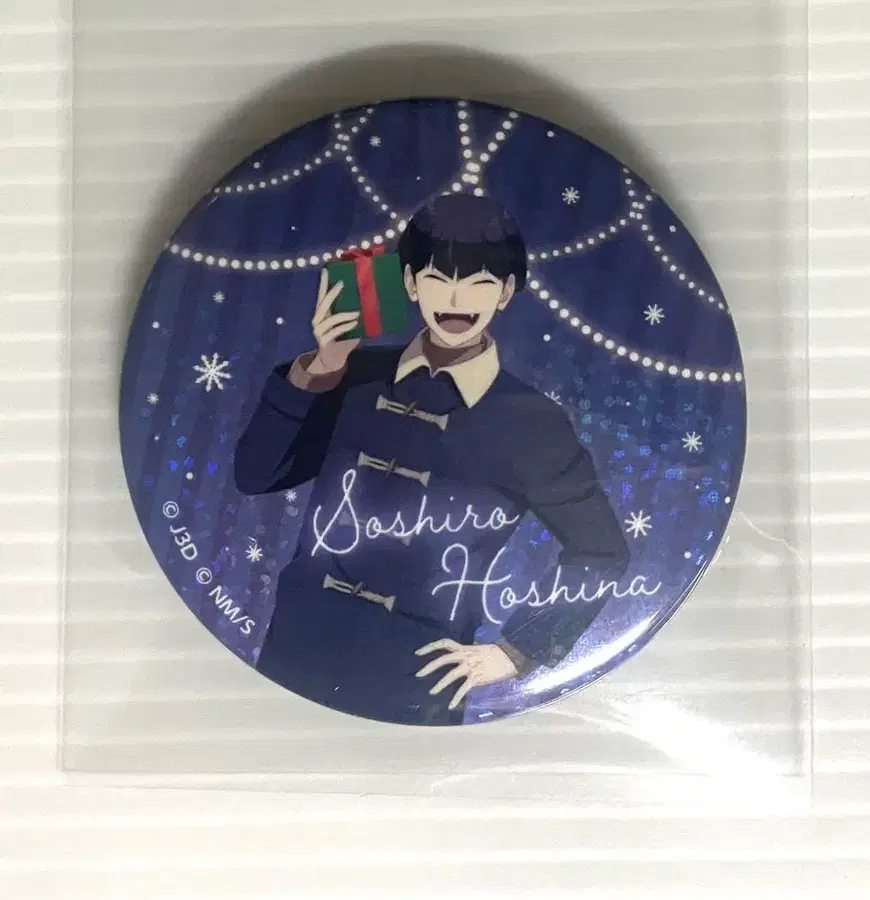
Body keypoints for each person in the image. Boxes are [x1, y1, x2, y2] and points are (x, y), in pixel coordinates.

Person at [234, 193, 629, 725]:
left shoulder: (532, 421)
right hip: (296, 649)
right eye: (439, 279)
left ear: (506, 292)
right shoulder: (354, 373)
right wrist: (322, 369)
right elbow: (256, 475)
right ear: (411, 284)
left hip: (416, 677)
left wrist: (519, 650)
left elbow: (602, 552)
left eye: (480, 283)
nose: (457, 300)